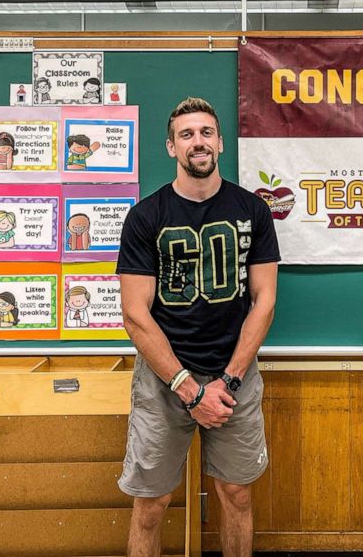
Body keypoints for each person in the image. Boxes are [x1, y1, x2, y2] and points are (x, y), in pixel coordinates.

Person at [117, 97, 280, 557]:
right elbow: (135, 314)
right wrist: (188, 388)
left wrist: (227, 380)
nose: (198, 142)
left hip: (235, 377)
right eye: (187, 135)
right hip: (163, 378)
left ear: (221, 142)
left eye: (206, 132)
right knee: (151, 504)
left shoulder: (253, 210)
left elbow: (264, 301)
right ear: (171, 147)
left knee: (237, 495)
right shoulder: (146, 217)